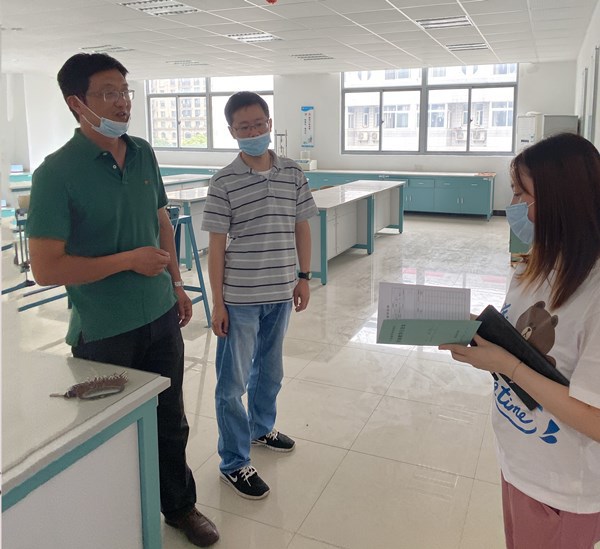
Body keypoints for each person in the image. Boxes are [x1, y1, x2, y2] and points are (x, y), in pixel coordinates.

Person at [26, 53, 219, 548]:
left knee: (170, 419)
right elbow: (46, 268)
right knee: (110, 432)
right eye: (108, 93)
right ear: (77, 103)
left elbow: (160, 221)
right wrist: (127, 261)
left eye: (125, 91)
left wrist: (175, 282)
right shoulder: (56, 173)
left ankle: (180, 507)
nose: (122, 102)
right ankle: (115, 522)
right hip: (104, 329)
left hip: (159, 315)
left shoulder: (143, 153)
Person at [439, 133, 600, 549]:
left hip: (564, 486)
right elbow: (523, 343)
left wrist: (506, 365)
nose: (512, 205)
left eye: (520, 193)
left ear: (562, 200)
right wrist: (479, 332)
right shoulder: (536, 266)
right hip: (520, 462)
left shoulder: (595, 291)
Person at [201, 91, 318, 499]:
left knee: (270, 371)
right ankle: (234, 462)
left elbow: (302, 226)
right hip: (240, 298)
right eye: (243, 127)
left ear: (270, 124)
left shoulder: (293, 173)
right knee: (232, 383)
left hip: (281, 293)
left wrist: (304, 277)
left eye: (258, 124)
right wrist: (218, 303)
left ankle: (261, 428)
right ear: (231, 131)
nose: (252, 132)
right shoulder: (223, 181)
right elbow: (217, 247)